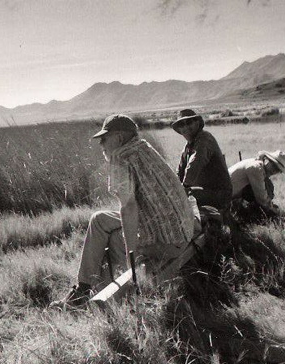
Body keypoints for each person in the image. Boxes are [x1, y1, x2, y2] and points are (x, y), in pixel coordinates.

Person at [51, 114, 196, 309]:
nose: (101, 144)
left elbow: (129, 207)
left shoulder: (120, 158)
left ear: (119, 138)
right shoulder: (145, 149)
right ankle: (86, 288)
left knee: (112, 237)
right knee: (100, 220)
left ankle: (84, 294)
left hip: (166, 244)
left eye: (104, 138)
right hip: (182, 233)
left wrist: (131, 255)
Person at [172, 109, 232, 211]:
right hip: (204, 191)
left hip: (219, 193)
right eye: (182, 124)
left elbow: (196, 162)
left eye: (189, 122)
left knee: (183, 199)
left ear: (197, 123)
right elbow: (180, 171)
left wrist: (184, 187)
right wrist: (174, 187)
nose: (186, 127)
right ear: (179, 129)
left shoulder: (205, 138)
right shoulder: (188, 146)